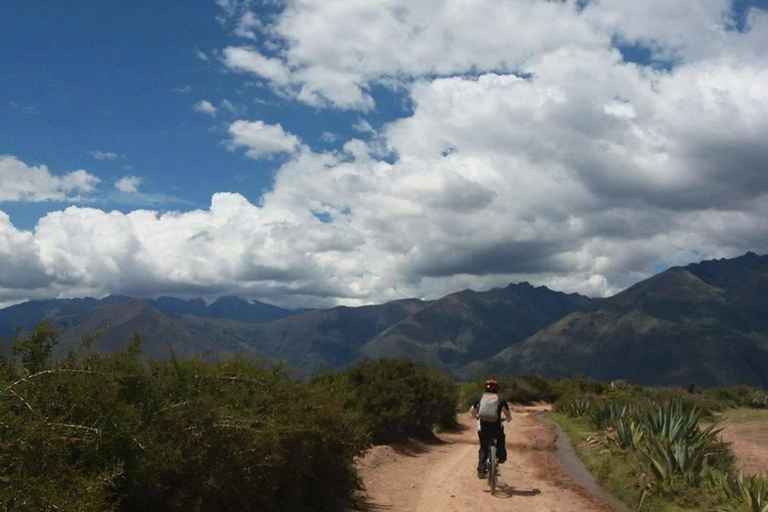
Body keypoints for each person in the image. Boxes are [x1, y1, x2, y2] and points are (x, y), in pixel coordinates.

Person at [469, 378, 511, 479]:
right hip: (496, 428)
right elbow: (508, 414)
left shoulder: (479, 399)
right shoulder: (500, 400)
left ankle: (481, 470)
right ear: (497, 389)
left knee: (483, 448)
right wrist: (508, 419)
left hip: (483, 428)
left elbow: (472, 412)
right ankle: (501, 457)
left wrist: (475, 417)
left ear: (485, 388)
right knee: (501, 438)